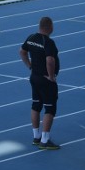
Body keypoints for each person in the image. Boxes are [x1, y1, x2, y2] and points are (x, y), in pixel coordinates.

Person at [19, 16, 61, 150]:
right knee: (50, 108)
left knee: (36, 105)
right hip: (45, 80)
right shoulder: (48, 42)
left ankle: (36, 136)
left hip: (34, 77)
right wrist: (51, 76)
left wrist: (30, 66)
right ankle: (45, 139)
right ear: (50, 27)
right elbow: (50, 60)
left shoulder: (31, 37)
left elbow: (22, 52)